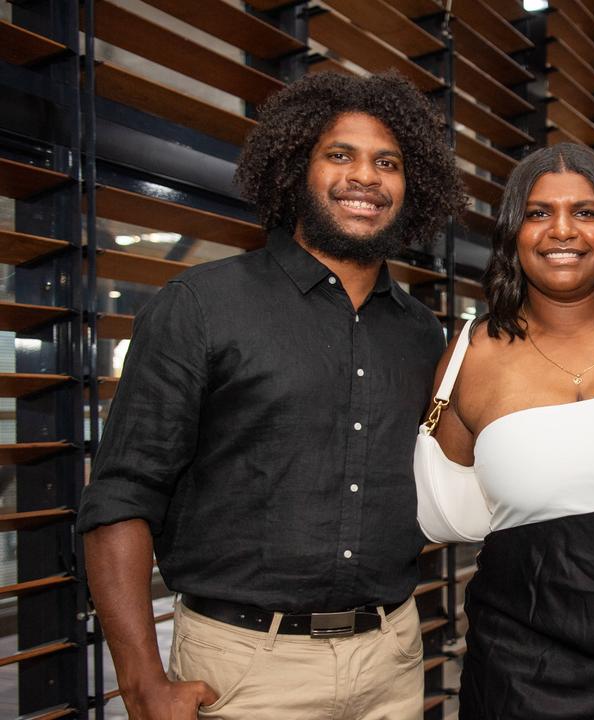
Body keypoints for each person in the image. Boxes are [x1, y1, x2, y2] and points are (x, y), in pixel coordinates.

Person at [77, 72, 465, 719]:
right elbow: (120, 496)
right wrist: (142, 681)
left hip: (392, 657)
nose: (365, 177)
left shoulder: (423, 334)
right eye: (339, 154)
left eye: (387, 162)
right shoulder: (202, 306)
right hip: (244, 669)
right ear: (294, 169)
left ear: (412, 183)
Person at [430, 143, 594, 718]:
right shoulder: (471, 354)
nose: (561, 231)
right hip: (516, 669)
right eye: (539, 213)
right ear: (514, 232)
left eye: (585, 212)